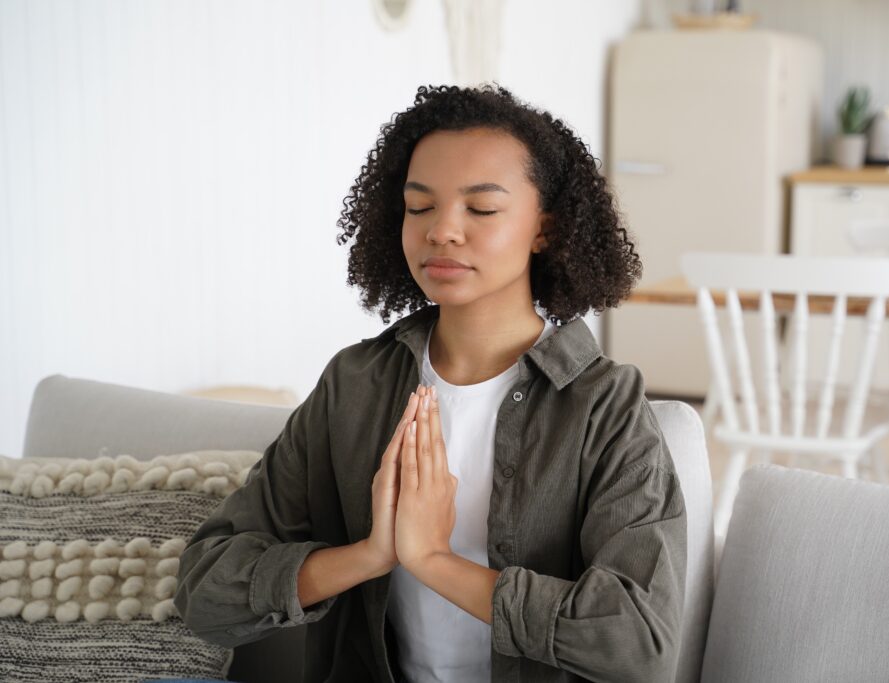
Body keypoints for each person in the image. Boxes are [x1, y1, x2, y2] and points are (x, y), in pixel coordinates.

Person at [174, 83, 687, 683]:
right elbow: (205, 593)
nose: (442, 230)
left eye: (482, 209)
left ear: (544, 228)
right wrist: (371, 555)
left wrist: (434, 561)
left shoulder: (604, 405)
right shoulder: (354, 385)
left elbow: (639, 644)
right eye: (419, 207)